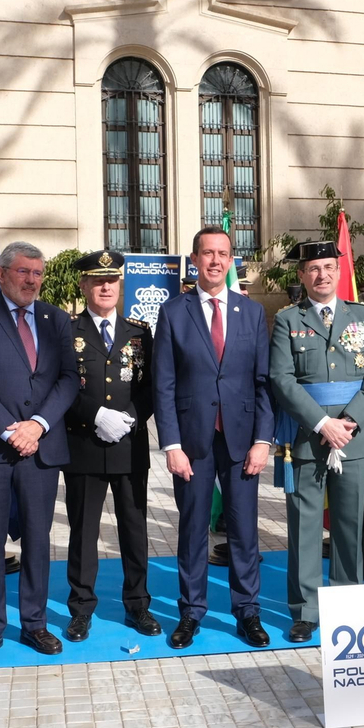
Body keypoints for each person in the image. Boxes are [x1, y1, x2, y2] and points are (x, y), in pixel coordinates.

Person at [0, 242, 80, 662]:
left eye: (37, 273)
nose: (32, 280)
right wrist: (10, 429)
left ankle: (35, 623)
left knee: (38, 540)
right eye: (23, 271)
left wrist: (37, 424)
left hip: (41, 448)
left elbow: (68, 378)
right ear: (1, 273)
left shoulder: (56, 319)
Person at [155, 227, 274, 649]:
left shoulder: (252, 312)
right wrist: (171, 445)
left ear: (231, 260)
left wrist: (263, 440)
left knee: (244, 531)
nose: (216, 261)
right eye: (208, 253)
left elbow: (263, 383)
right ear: (194, 259)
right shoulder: (173, 312)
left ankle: (248, 612)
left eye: (223, 253)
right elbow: (164, 384)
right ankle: (191, 612)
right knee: (192, 530)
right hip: (192, 443)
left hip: (242, 441)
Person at [270, 240, 364, 642]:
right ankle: (305, 611)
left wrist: (348, 422)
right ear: (302, 276)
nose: (322, 275)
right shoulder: (288, 320)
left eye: (328, 268)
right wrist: (323, 424)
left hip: (352, 437)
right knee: (304, 527)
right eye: (313, 269)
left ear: (338, 272)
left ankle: (346, 605)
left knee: (348, 524)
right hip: (307, 437)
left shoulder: (362, 316)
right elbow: (282, 379)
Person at [60, 250, 157, 643]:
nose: (105, 287)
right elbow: (61, 385)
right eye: (97, 281)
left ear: (120, 285)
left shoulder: (139, 332)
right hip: (84, 444)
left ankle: (138, 605)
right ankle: (81, 609)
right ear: (84, 286)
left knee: (134, 529)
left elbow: (152, 386)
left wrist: (129, 418)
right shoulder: (67, 330)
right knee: (83, 532)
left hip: (129, 446)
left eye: (111, 281)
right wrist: (96, 415)